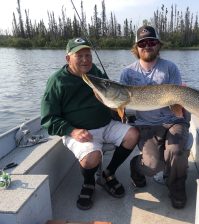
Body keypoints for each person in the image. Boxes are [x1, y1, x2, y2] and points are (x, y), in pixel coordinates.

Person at [41, 37, 139, 210]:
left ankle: (108, 174)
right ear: (68, 58)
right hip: (79, 131)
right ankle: (89, 183)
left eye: (88, 55)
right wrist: (72, 131)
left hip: (106, 124)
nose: (85, 60)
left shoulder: (95, 71)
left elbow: (112, 96)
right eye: (79, 56)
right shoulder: (57, 81)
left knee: (133, 134)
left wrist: (118, 112)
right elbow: (48, 119)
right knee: (91, 159)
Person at [120, 25, 190, 209]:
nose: (147, 46)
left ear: (158, 45)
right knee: (152, 165)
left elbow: (176, 101)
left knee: (175, 152)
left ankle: (177, 188)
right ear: (136, 47)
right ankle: (136, 166)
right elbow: (120, 102)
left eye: (151, 42)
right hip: (146, 126)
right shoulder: (127, 73)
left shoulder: (170, 68)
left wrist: (180, 103)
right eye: (142, 43)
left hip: (173, 121)